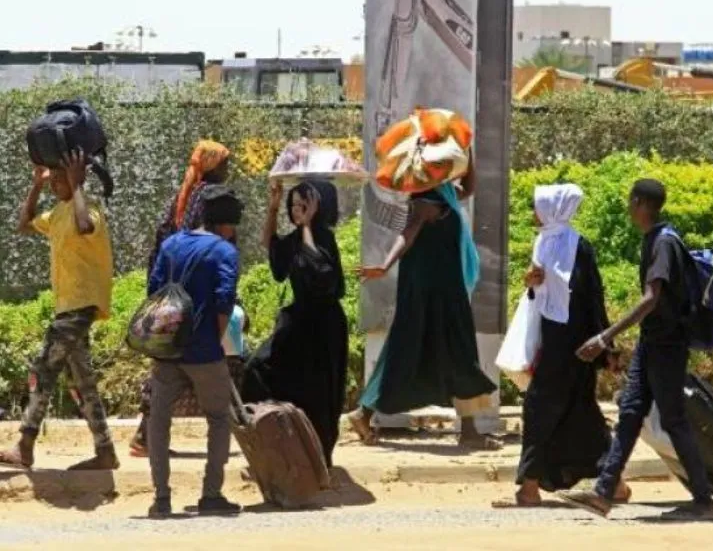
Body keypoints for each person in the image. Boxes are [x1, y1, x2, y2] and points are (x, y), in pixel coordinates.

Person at [557, 179, 713, 520]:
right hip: (653, 343)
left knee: (673, 419)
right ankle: (603, 492)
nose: (629, 207)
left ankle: (704, 500)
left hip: (667, 345)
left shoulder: (663, 243)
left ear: (640, 203)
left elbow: (651, 298)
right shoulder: (656, 239)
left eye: (631, 201)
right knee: (629, 413)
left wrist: (604, 337)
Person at [493, 184, 628, 508]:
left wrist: (604, 347)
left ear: (553, 210)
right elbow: (541, 294)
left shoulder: (579, 247)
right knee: (581, 414)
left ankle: (529, 487)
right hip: (553, 341)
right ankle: (615, 484)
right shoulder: (544, 242)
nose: (533, 215)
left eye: (537, 208)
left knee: (539, 410)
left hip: (576, 347)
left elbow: (591, 300)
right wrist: (531, 284)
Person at [350, 161, 499, 450]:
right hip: (430, 291)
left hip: (442, 288)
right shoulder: (426, 198)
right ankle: (468, 432)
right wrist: (384, 264)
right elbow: (409, 232)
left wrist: (466, 155)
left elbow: (469, 188)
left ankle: (364, 413)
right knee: (447, 349)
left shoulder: (445, 193)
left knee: (421, 349)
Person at [0, 152, 118, 471]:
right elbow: (23, 224)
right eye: (53, 180)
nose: (55, 185)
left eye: (59, 179)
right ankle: (105, 450)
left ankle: (25, 445)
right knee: (83, 380)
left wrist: (78, 185)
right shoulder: (56, 214)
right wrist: (36, 186)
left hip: (81, 305)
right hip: (67, 306)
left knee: (43, 369)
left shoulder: (89, 208)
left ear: (77, 179)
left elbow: (84, 225)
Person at [145, 185, 244, 518]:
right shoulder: (224, 251)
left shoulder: (172, 243)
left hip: (168, 349)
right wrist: (213, 341)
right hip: (203, 351)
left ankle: (161, 499)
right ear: (226, 224)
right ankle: (211, 495)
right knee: (219, 419)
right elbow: (224, 301)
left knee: (159, 421)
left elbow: (154, 290)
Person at [131, 140, 231, 455]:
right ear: (213, 166)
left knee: (170, 362)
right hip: (193, 295)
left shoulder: (184, 195)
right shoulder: (207, 197)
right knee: (186, 363)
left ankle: (147, 436)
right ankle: (148, 437)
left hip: (170, 293)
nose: (229, 169)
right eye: (225, 163)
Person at [241, 179, 349, 468]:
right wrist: (273, 209)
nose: (296, 210)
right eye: (294, 205)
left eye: (304, 205)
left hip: (324, 326)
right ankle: (280, 446)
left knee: (319, 393)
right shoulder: (294, 238)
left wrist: (307, 228)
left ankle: (320, 458)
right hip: (298, 324)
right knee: (258, 369)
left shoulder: (324, 238)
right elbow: (273, 252)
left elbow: (323, 275)